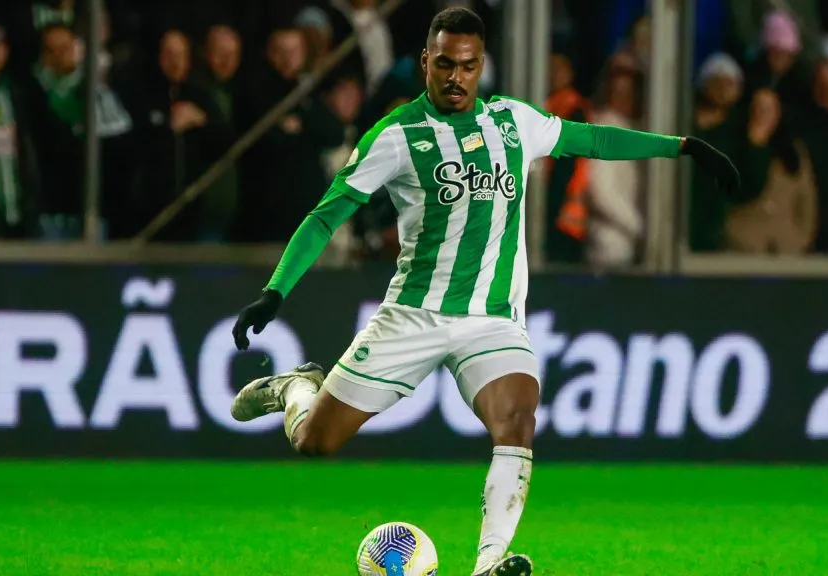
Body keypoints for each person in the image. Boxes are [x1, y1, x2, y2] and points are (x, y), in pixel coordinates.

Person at [228, 7, 738, 576]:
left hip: (492, 320)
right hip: (414, 314)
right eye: (445, 64)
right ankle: (297, 388)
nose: (456, 77)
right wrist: (276, 291)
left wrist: (682, 146)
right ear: (426, 60)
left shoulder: (513, 122)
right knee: (316, 442)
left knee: (517, 419)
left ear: (481, 65)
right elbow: (326, 216)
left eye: (468, 66)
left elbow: (591, 138)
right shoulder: (396, 136)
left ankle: (489, 562)